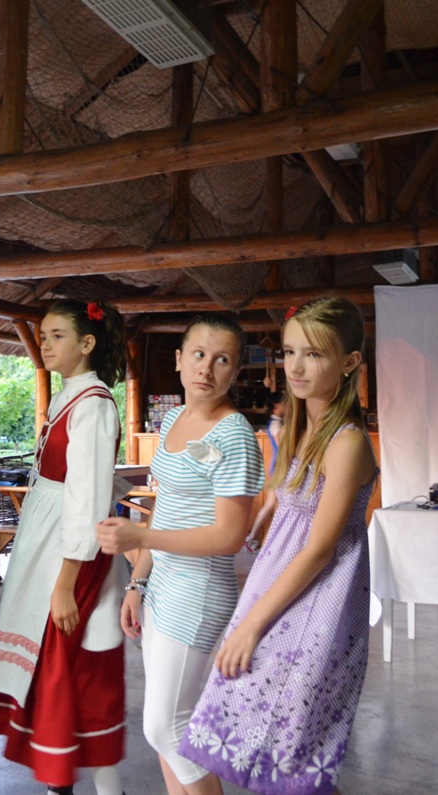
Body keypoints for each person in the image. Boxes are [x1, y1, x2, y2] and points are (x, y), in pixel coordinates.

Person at [178, 297, 379, 795]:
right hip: (279, 590)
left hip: (317, 604)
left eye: (314, 354)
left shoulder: (346, 442)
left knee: (295, 754)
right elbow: (287, 503)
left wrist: (251, 625)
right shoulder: (301, 427)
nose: (296, 367)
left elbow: (320, 549)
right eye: (290, 352)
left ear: (350, 362)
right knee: (272, 746)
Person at [96, 314, 264, 795]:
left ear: (236, 372)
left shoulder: (233, 435)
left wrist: (141, 540)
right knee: (171, 731)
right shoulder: (173, 420)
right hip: (162, 586)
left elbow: (229, 537)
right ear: (178, 359)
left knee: (165, 727)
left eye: (222, 360)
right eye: (198, 354)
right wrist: (138, 582)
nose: (206, 368)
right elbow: (166, 507)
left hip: (200, 593)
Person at [0, 299, 129, 795]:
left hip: (72, 554)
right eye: (42, 336)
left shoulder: (94, 404)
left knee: (69, 668)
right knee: (53, 668)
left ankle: (90, 786)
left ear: (87, 343)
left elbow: (87, 501)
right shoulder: (70, 396)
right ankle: (61, 781)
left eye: (57, 335)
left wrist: (65, 584)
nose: (44, 344)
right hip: (50, 541)